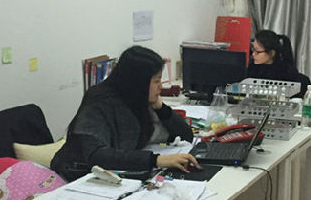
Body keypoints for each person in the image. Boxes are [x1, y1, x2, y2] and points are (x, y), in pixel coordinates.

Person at [51, 45, 200, 182]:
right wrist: (156, 160)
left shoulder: (138, 99)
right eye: (156, 81)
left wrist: (161, 109)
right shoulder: (99, 102)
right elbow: (97, 156)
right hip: (79, 176)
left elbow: (186, 136)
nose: (160, 87)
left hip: (117, 175)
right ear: (138, 82)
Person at [245, 29, 311, 98]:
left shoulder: (286, 73)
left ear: (272, 53)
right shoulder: (251, 71)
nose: (253, 54)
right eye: (253, 50)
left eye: (257, 51)